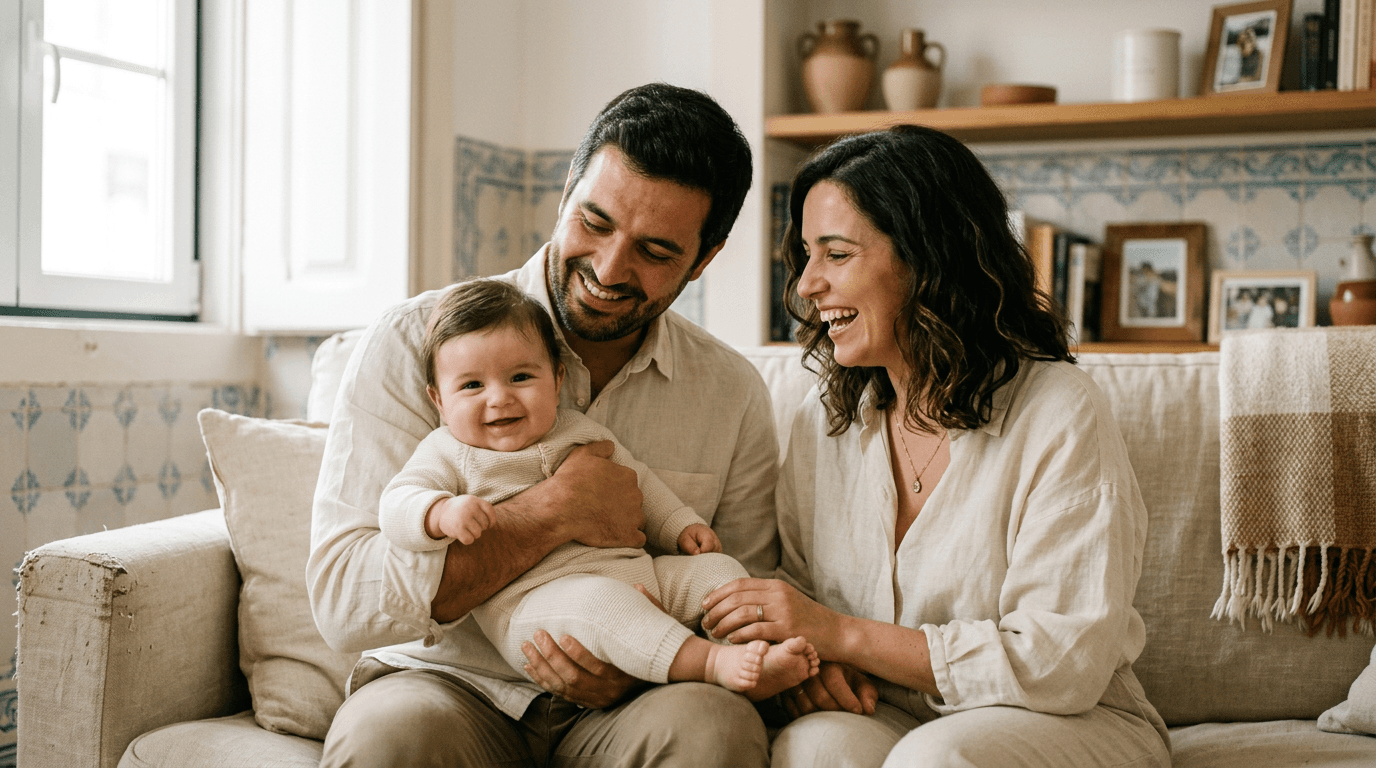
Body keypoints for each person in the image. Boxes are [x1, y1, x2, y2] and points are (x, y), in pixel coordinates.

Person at [309, 83, 781, 767]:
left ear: (704, 260)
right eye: (594, 222)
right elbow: (343, 603)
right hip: (446, 685)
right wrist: (551, 513)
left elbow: (739, 593)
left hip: (640, 696)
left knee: (715, 728)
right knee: (390, 737)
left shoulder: (731, 394)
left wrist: (642, 653)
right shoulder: (416, 341)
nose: (609, 269)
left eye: (655, 252)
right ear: (566, 192)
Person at [700, 125, 1171, 767]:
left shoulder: (1059, 410)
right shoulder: (827, 420)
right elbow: (798, 592)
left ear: (927, 260)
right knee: (814, 751)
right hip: (891, 711)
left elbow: (1061, 663)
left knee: (933, 761)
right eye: (806, 255)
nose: (807, 284)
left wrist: (839, 634)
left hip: (1067, 721)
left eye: (836, 254)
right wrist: (805, 666)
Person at [380, 277, 817, 696]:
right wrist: (439, 513)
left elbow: (638, 479)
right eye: (472, 385)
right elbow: (397, 502)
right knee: (601, 603)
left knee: (719, 574)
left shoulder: (576, 429)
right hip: (538, 609)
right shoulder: (446, 451)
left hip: (639, 576)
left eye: (520, 378)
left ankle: (752, 656)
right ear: (438, 400)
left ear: (557, 379)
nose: (499, 398)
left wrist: (681, 525)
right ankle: (710, 664)